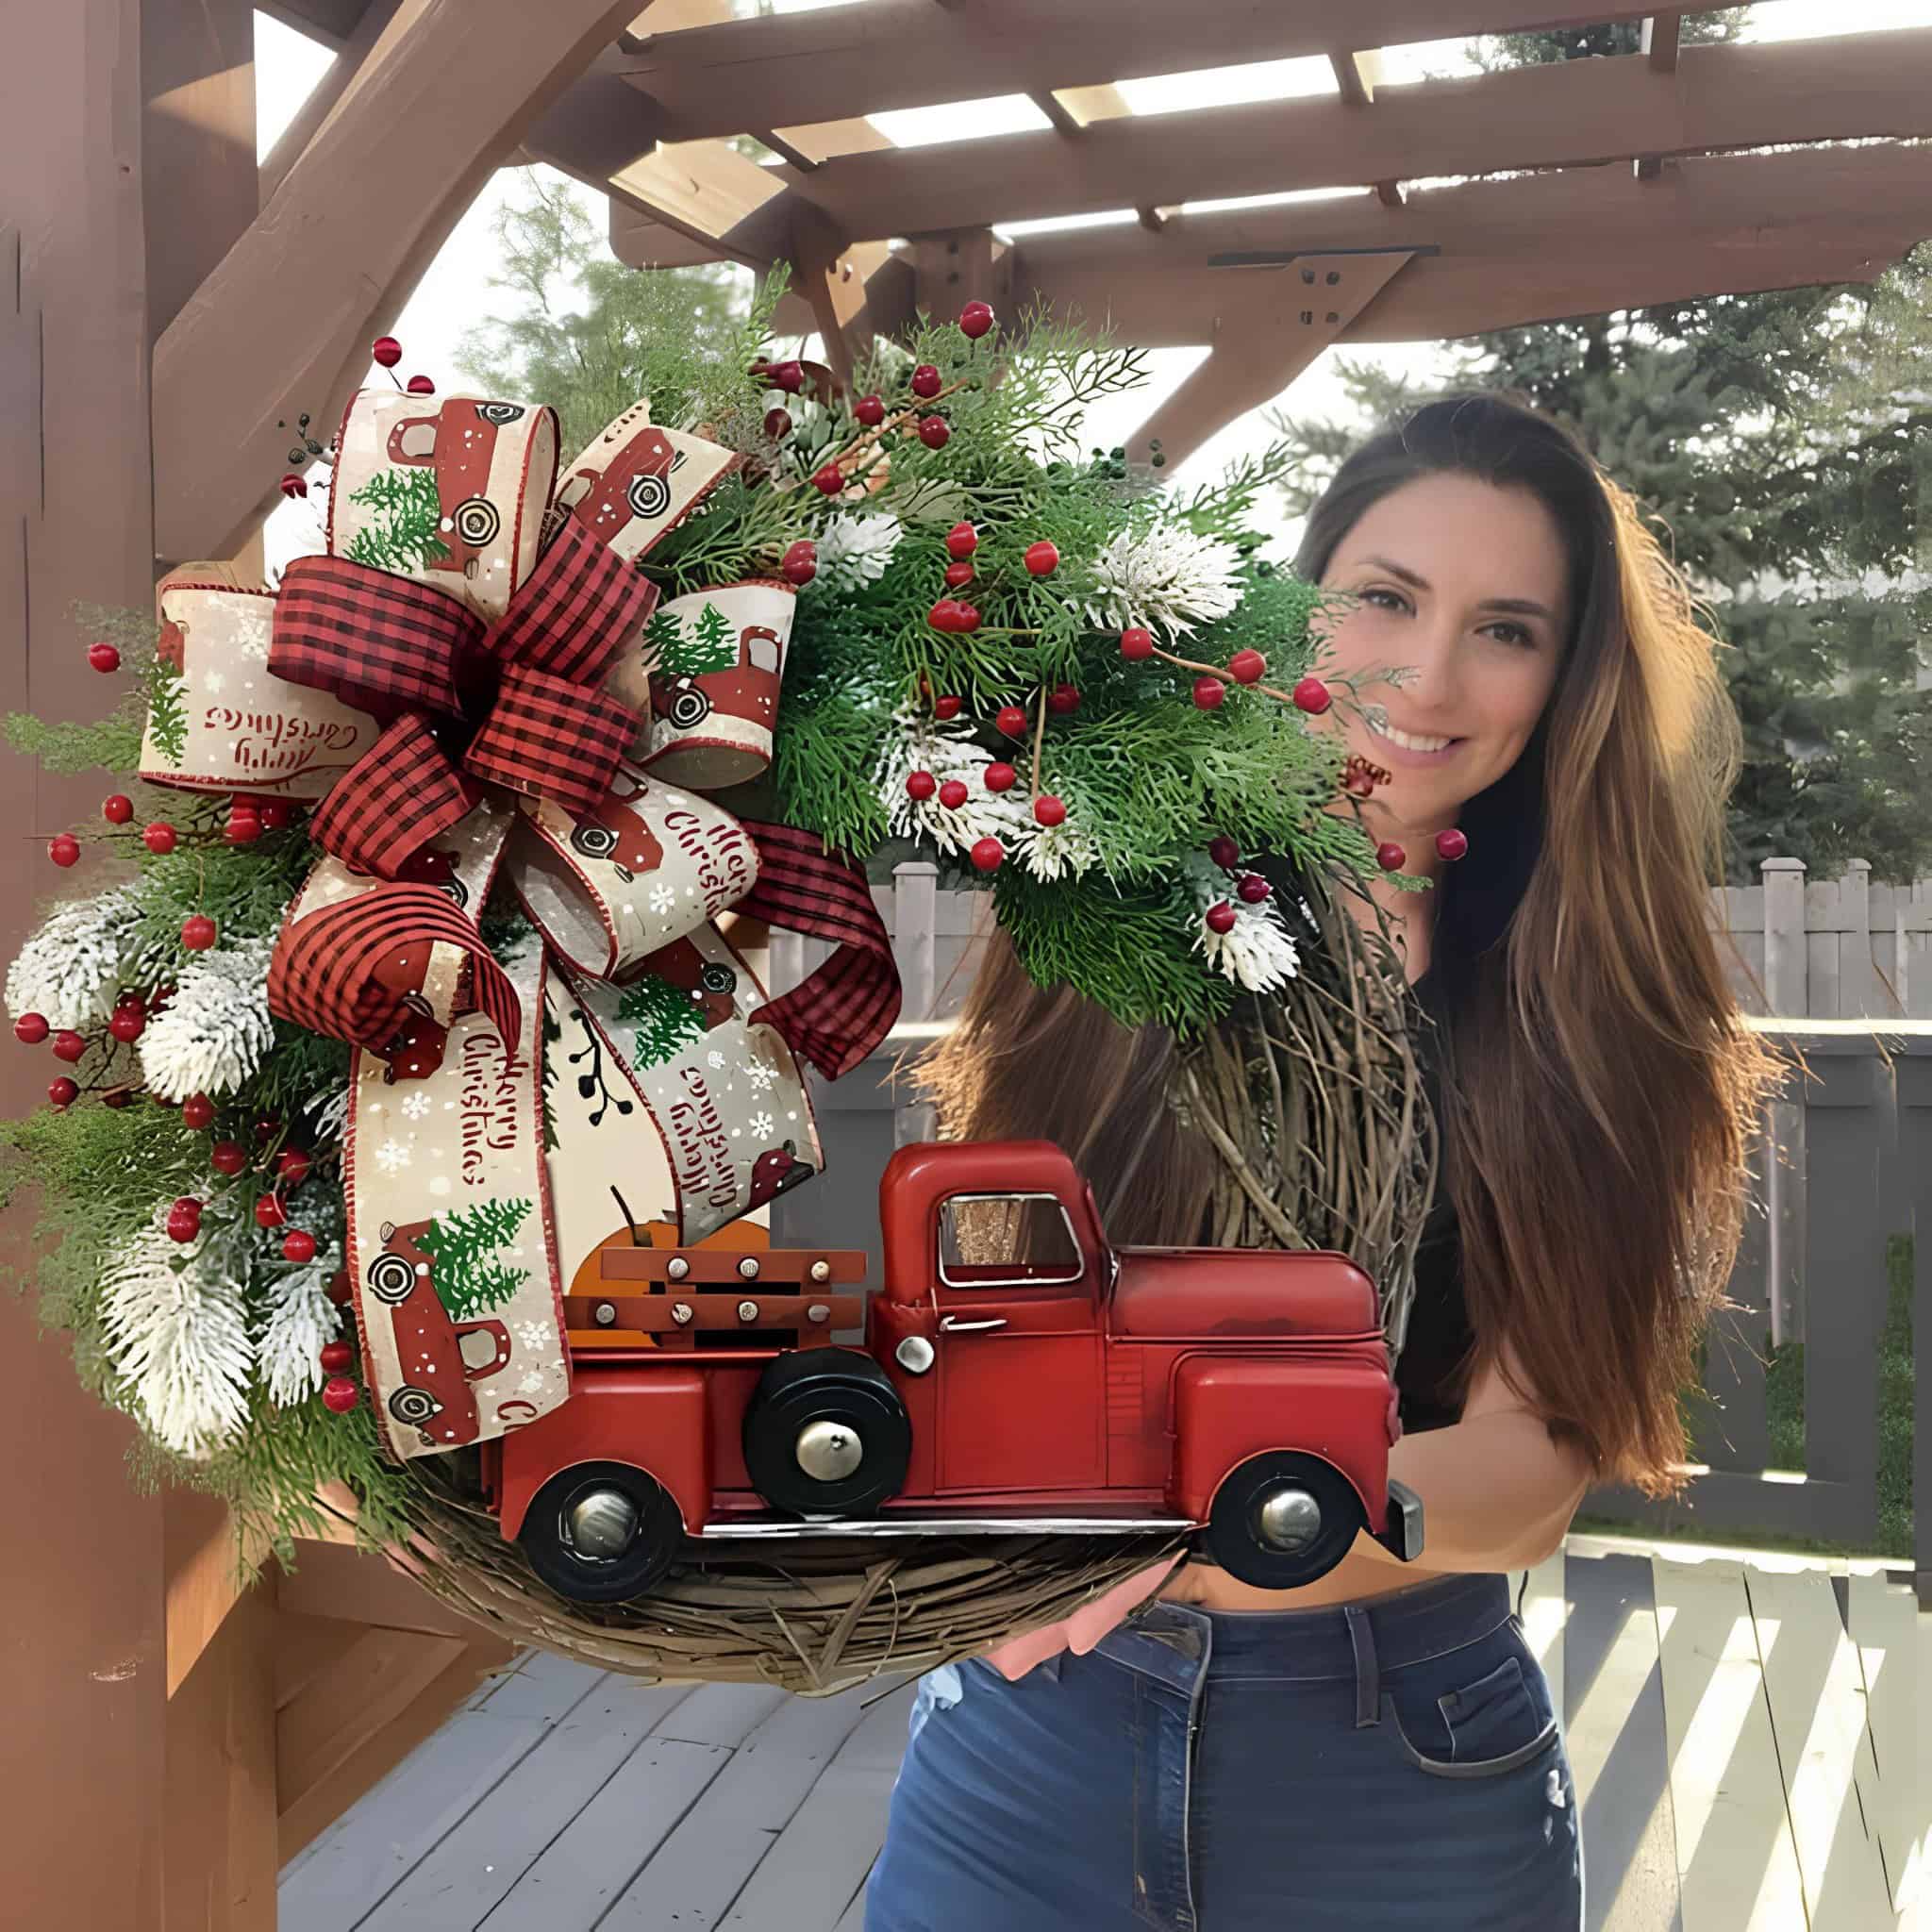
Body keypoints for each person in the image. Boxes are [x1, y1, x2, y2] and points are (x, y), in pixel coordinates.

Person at [865, 392, 1782, 1930]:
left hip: (1394, 1773)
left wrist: (1210, 1515)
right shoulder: (1115, 910)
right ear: (1299, 607)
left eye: (1506, 629)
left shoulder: (1595, 1014)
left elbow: (1527, 1481)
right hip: (1034, 1737)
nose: (1427, 676)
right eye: (1385, 599)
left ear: (1567, 680)